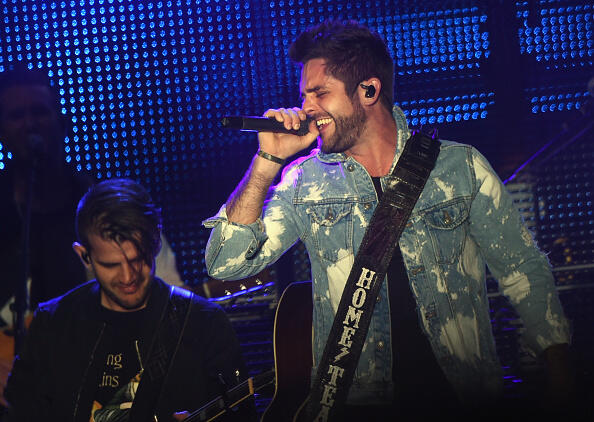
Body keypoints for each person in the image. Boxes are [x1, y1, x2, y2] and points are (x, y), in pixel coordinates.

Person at [203, 20, 574, 420]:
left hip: (461, 398)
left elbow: (522, 268)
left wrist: (561, 366)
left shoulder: (459, 167)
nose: (306, 108)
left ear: (369, 90)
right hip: (356, 405)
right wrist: (267, 162)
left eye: (320, 93)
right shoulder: (304, 183)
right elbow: (226, 263)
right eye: (305, 95)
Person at [0, 66, 184, 405]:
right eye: (16, 116)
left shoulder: (102, 206)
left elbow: (167, 293)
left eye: (39, 112)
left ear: (62, 123)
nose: (30, 125)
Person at [3, 178, 254, 421]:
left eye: (137, 259)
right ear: (84, 256)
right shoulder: (53, 324)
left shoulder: (204, 325)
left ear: (156, 240)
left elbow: (242, 415)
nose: (128, 276)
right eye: (110, 265)